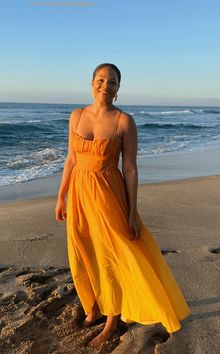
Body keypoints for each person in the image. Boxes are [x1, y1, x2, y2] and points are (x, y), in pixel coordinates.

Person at [55, 63, 191, 348]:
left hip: (108, 195)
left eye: (113, 82)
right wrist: (61, 195)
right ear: (91, 82)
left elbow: (129, 169)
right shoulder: (76, 116)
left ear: (118, 90)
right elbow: (70, 159)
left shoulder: (124, 122)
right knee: (81, 248)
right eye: (101, 79)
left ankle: (111, 321)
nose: (106, 86)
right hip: (79, 193)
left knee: (110, 254)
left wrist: (131, 211)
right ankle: (93, 305)